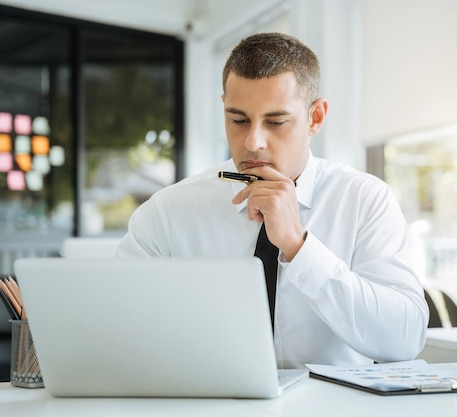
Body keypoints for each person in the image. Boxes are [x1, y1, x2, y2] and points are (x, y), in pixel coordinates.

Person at [116, 32, 429, 368]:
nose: (253, 142)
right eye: (238, 120)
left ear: (316, 118)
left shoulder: (365, 200)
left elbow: (404, 340)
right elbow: (114, 326)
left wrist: (299, 247)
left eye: (276, 122)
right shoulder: (167, 212)